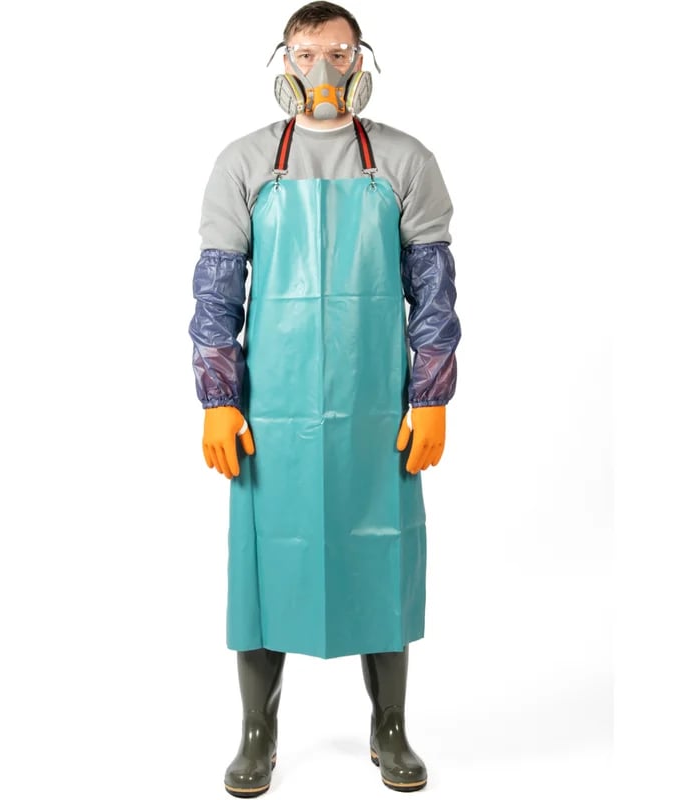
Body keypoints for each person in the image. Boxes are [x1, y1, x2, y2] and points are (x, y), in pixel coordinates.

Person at [188, 2, 461, 795]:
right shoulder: (245, 162)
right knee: (265, 563)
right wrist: (217, 398)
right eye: (306, 53)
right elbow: (215, 292)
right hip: (268, 415)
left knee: (382, 554)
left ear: (359, 61)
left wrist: (432, 395)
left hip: (376, 411)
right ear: (285, 61)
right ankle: (257, 733)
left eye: (339, 53)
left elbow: (433, 292)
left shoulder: (405, 160)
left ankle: (390, 728)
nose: (323, 70)